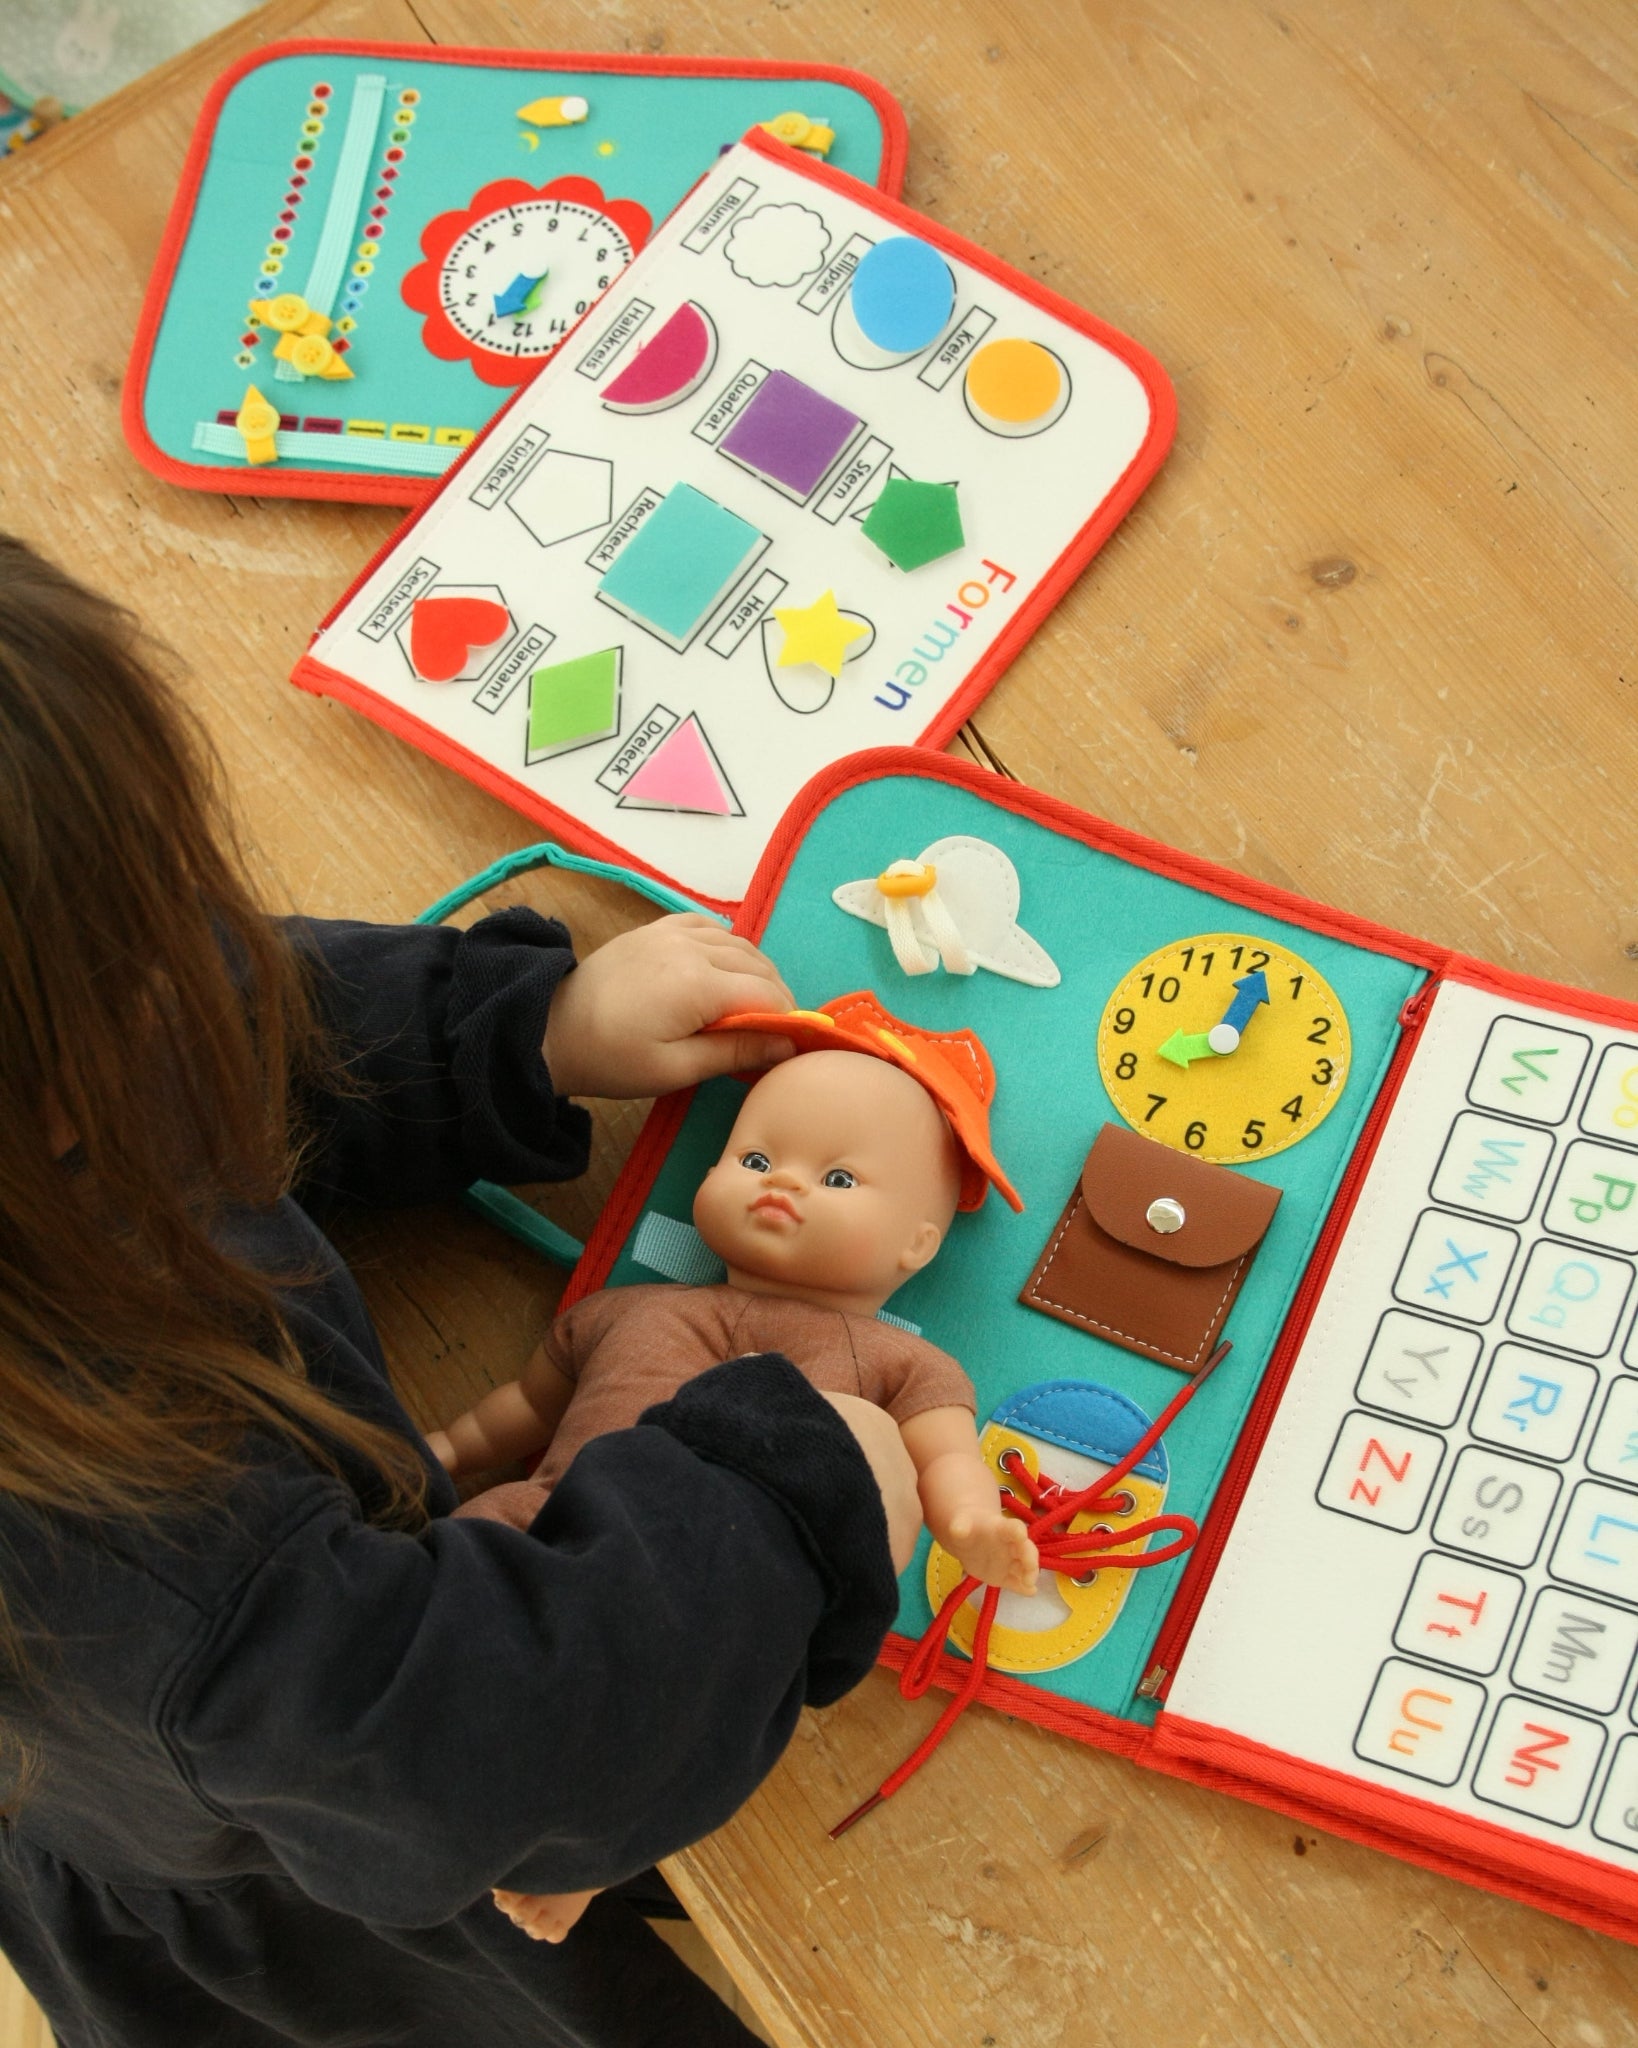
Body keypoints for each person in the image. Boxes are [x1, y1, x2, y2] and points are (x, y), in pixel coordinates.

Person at [0, 530, 923, 2048]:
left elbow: (215, 1006)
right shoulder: (127, 1575)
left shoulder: (69, 1026)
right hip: (318, 1875)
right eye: (128, 975)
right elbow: (510, 1743)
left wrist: (517, 1031)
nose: (180, 977)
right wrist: (801, 1496)